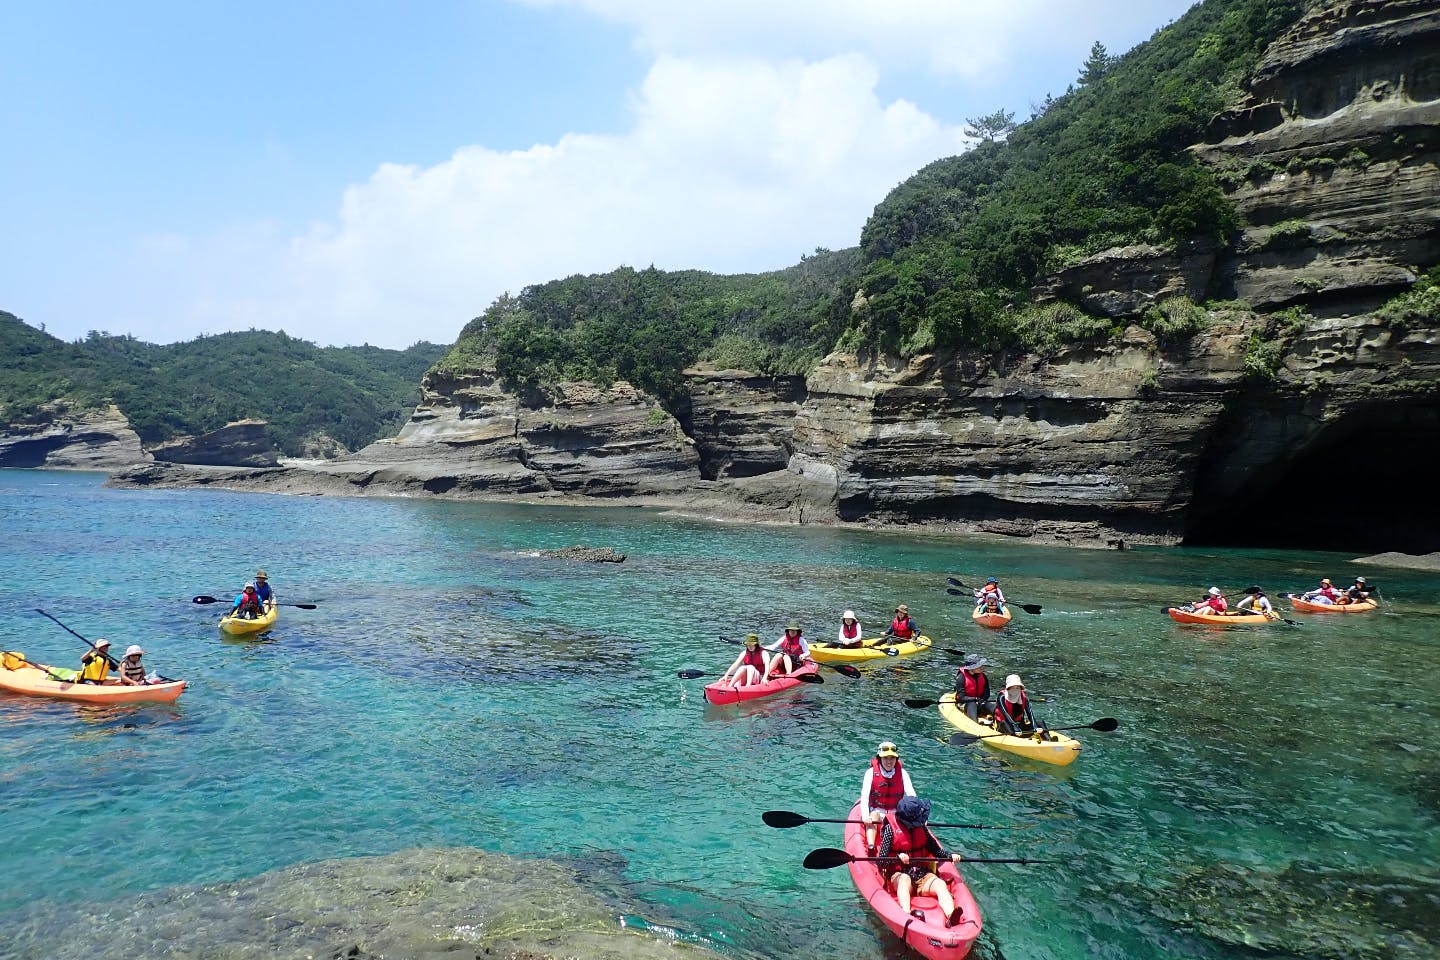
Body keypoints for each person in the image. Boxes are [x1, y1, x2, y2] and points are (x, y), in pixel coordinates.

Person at [877, 796, 966, 927]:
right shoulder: (890, 830)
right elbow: (881, 861)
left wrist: (950, 855)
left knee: (940, 884)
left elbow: (937, 851)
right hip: (899, 875)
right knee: (904, 879)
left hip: (922, 875)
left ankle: (951, 916)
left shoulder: (921, 829)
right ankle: (906, 915)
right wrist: (898, 858)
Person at [860, 741, 917, 851]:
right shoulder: (870, 773)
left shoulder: (903, 773)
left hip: (895, 814)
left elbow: (912, 796)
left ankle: (905, 848)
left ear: (896, 759)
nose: (889, 761)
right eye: (885, 758)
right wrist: (865, 816)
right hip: (876, 812)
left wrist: (917, 814)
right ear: (879, 758)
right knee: (874, 815)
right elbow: (865, 796)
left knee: (904, 822)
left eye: (892, 758)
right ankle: (871, 846)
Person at [953, 654, 993, 720]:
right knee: (972, 704)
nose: (982, 667)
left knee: (992, 706)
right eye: (979, 666)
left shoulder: (983, 676)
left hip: (979, 702)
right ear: (971, 668)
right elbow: (961, 697)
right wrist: (975, 699)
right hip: (966, 703)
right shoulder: (961, 677)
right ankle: (975, 723)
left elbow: (987, 693)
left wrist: (982, 699)